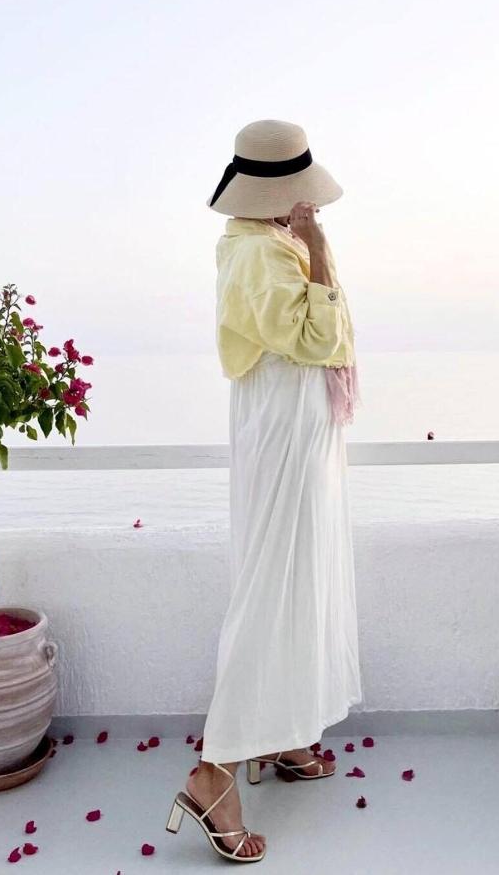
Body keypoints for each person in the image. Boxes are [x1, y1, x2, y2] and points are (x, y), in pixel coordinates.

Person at [165, 119, 362, 863]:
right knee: (271, 587)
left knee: (297, 578)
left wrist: (311, 248)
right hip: (282, 429)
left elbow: (320, 325)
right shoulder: (255, 251)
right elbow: (319, 338)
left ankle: (281, 733)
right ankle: (213, 774)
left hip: (294, 429)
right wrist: (319, 249)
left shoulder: (270, 241)